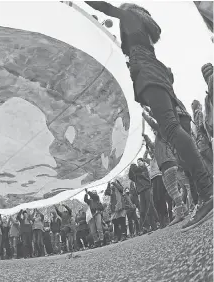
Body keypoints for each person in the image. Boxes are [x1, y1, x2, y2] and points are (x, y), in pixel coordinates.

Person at [84, 1, 212, 232]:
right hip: (156, 71)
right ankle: (206, 192)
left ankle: (207, 191)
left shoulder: (130, 17)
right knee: (172, 130)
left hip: (149, 72)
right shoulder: (142, 28)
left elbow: (106, 7)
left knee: (171, 129)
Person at [143, 111, 188, 226]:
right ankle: (184, 209)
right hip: (165, 165)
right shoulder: (159, 140)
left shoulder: (163, 132)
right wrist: (146, 137)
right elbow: (152, 147)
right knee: (171, 190)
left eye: (154, 131)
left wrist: (145, 115)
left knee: (173, 190)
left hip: (168, 163)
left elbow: (153, 124)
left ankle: (180, 214)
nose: (154, 131)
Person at [191, 99, 213, 175]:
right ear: (199, 106)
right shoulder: (199, 113)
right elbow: (201, 125)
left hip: (199, 146)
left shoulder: (193, 117)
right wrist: (206, 135)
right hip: (203, 141)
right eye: (200, 105)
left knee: (209, 167)